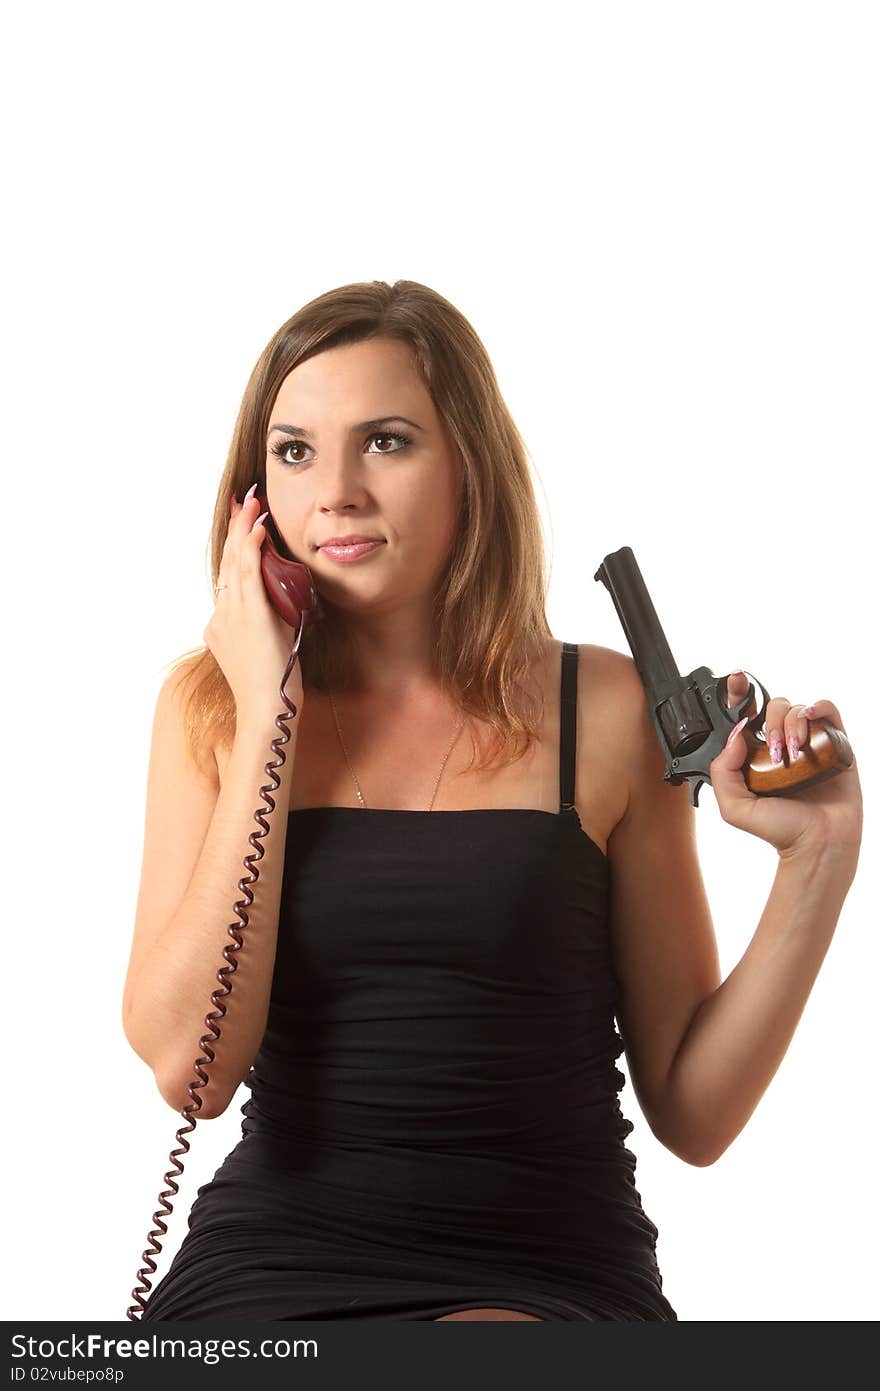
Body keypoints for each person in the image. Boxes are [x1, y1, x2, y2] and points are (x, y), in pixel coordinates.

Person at [122, 280, 861, 1321]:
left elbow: (693, 1112)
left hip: (544, 1275)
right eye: (293, 451)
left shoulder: (601, 707)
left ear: (469, 464)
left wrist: (817, 859)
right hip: (266, 1268)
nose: (332, 490)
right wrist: (266, 716)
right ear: (255, 498)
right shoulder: (209, 711)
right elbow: (188, 1073)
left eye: (384, 441)